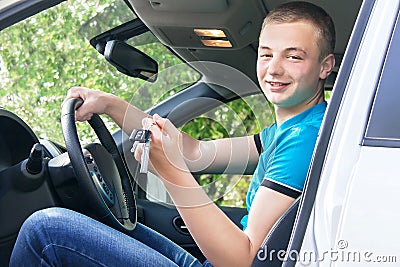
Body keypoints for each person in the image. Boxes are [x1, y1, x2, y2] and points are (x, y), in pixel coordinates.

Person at [10, 1, 335, 266]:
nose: (274, 68)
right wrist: (111, 105)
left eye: (293, 56)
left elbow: (243, 258)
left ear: (325, 66)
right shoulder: (291, 130)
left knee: (47, 231)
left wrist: (172, 173)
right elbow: (196, 153)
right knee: (96, 220)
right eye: (266, 54)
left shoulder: (306, 139)